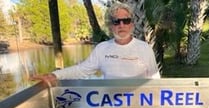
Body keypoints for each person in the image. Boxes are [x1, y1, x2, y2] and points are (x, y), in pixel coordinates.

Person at [32, 2, 160, 83]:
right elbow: (81, 70)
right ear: (110, 26)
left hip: (139, 104)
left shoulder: (145, 48)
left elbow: (155, 80)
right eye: (116, 21)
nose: (122, 25)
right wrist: (54, 75)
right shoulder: (102, 48)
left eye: (126, 21)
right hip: (110, 104)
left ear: (132, 24)